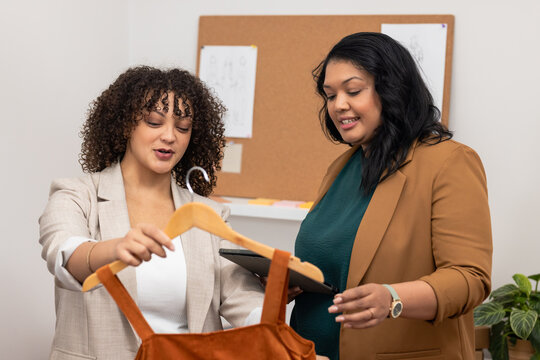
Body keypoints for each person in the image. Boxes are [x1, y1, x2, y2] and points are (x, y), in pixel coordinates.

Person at [290, 32, 492, 360]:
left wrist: (393, 298)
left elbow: (469, 278)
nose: (339, 105)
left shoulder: (449, 162)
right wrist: (292, 280)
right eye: (330, 95)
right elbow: (334, 265)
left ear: (391, 89)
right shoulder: (341, 168)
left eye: (353, 91)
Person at [39, 66, 265, 359]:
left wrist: (276, 334)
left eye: (183, 127)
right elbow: (64, 255)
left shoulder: (209, 214)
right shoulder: (76, 195)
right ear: (125, 124)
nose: (170, 136)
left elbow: (239, 295)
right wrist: (114, 250)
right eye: (154, 122)